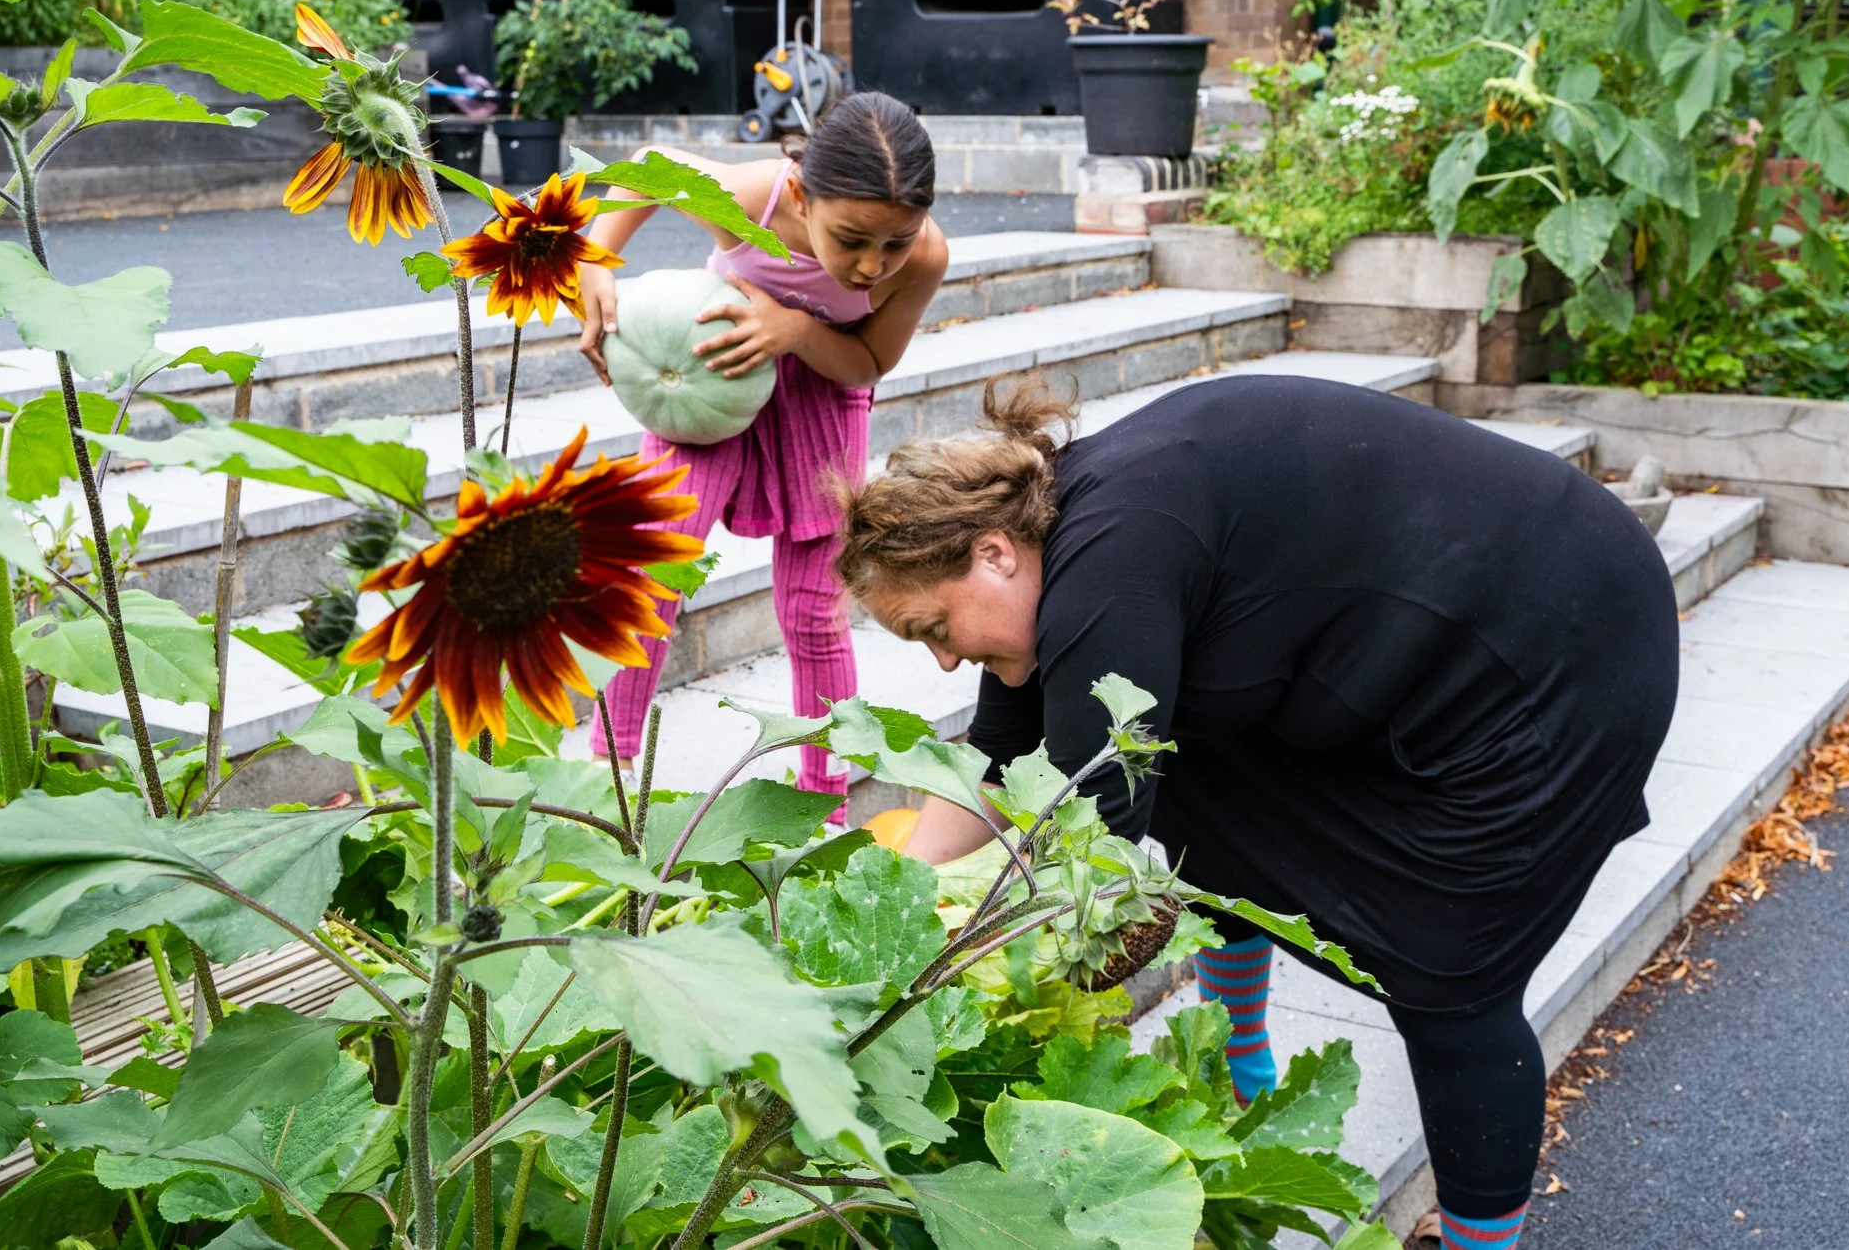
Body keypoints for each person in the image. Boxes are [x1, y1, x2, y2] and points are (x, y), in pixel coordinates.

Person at [831, 377, 1679, 1250]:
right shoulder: (1072, 553)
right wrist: (891, 892)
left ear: (993, 552)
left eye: (932, 627)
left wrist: (938, 957)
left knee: (1450, 975)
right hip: (1451, 633)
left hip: (1563, 652)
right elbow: (997, 764)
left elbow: (1090, 849)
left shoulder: (1108, 571)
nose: (940, 661)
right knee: (1191, 782)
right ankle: (1242, 1069)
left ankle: (1476, 1242)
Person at [575, 91, 948, 810]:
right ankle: (607, 782)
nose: (874, 266)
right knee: (651, 566)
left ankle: (824, 802)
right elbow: (648, 168)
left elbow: (869, 361)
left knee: (814, 608)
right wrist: (596, 258)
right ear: (802, 194)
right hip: (716, 367)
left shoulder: (924, 255)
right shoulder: (749, 196)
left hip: (824, 392)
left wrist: (797, 330)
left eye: (893, 243)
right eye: (852, 239)